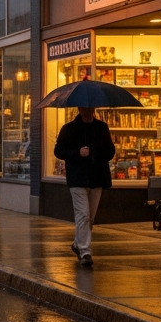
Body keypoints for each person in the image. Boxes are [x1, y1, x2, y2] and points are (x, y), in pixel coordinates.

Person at [54, 106, 115, 267]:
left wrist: (95, 152)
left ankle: (77, 243)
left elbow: (110, 151)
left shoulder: (101, 127)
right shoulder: (68, 129)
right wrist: (77, 153)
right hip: (77, 178)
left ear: (93, 109)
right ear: (79, 109)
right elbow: (59, 151)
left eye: (90, 108)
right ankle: (85, 251)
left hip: (97, 177)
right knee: (83, 214)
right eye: (84, 108)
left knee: (91, 217)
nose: (87, 111)